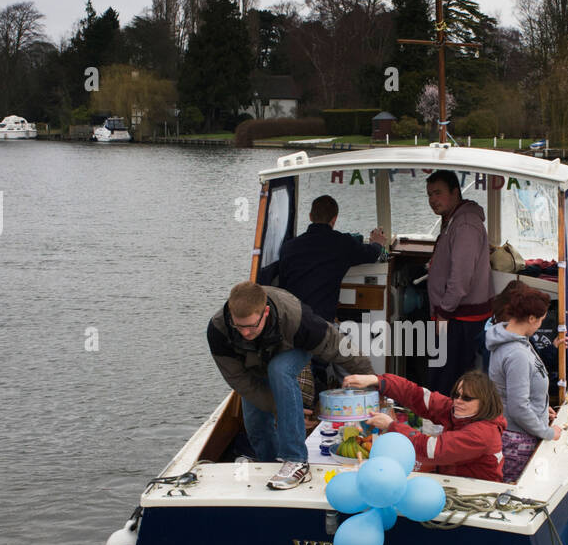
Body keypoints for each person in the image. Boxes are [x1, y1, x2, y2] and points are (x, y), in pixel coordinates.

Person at [208, 281, 372, 490]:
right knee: (255, 421)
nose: (245, 333)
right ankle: (271, 464)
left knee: (279, 370)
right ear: (230, 314)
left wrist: (376, 381)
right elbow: (240, 381)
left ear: (265, 312)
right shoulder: (218, 330)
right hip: (253, 365)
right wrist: (283, 408)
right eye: (239, 326)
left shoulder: (298, 319)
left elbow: (340, 349)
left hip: (292, 349)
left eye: (251, 326)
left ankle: (296, 460)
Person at [342, 370, 505, 481]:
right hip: (453, 479)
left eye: (467, 398)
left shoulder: (482, 433)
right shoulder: (460, 411)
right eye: (456, 394)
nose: (458, 401)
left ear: (484, 401)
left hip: (476, 492)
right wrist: (377, 380)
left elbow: (432, 450)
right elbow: (415, 394)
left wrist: (392, 425)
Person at [485, 284, 562, 484]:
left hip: (514, 430)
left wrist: (543, 410)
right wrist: (547, 432)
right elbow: (518, 406)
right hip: (517, 441)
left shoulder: (515, 342)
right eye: (541, 320)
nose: (540, 325)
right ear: (531, 319)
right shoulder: (517, 354)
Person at [424, 170, 491, 395]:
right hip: (453, 315)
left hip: (459, 318)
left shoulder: (465, 224)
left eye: (438, 193)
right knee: (442, 373)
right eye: (429, 194)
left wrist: (443, 312)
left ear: (455, 192)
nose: (433, 200)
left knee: (448, 380)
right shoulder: (453, 220)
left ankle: (442, 423)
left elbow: (461, 277)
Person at [273, 195, 387, 321]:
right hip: (319, 325)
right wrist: (377, 243)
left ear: (310, 216)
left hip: (291, 321)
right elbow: (371, 254)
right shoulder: (342, 243)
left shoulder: (288, 247)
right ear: (334, 219)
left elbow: (282, 286)